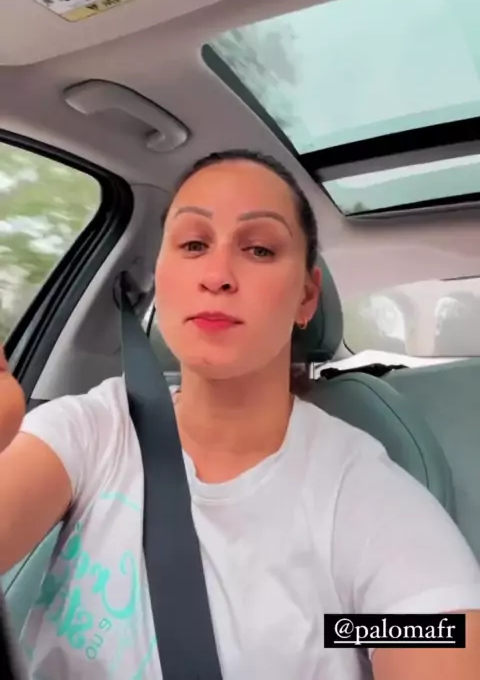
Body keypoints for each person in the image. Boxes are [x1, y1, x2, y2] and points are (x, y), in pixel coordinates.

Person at [0, 148, 479, 680]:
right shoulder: (94, 428)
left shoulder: (364, 498)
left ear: (306, 296)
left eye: (259, 249)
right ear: (160, 276)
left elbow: (434, 631)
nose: (217, 275)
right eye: (193, 244)